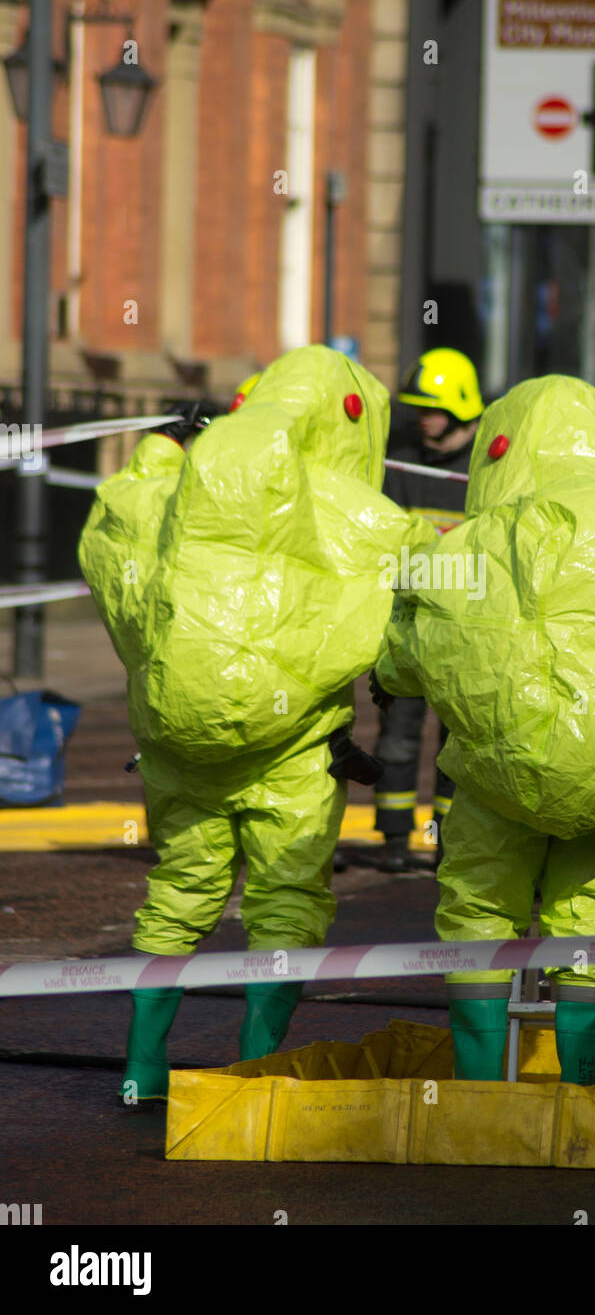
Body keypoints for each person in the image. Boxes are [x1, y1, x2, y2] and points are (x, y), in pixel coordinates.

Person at [78, 347, 434, 1104]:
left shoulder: (175, 499)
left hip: (178, 745)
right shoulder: (358, 516)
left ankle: (142, 1072)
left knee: (178, 894)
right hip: (294, 752)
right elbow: (426, 604)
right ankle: (252, 1073)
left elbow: (112, 529)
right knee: (284, 901)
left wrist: (160, 450)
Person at [371, 374, 595, 1085]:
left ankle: (481, 1084)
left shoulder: (465, 545)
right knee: (592, 916)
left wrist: (421, 685)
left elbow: (402, 647)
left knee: (479, 905)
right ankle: (576, 1089)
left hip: (493, 775)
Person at [373, 348, 483, 873]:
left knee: (458, 744)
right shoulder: (400, 461)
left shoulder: (486, 466)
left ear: (461, 408)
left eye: (433, 409)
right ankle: (394, 840)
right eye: (418, 408)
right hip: (406, 625)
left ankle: (447, 843)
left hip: (465, 630)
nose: (423, 418)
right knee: (396, 735)